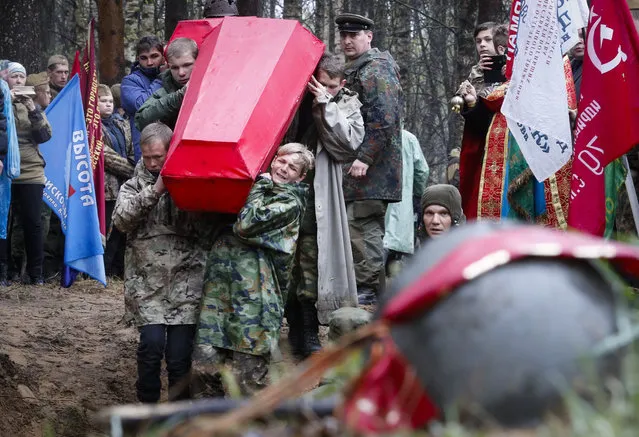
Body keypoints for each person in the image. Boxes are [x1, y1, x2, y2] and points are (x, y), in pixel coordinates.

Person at [194, 143, 313, 396]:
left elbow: (246, 224)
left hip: (256, 304)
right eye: (282, 161)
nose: (284, 169)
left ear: (300, 177)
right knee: (205, 373)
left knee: (247, 383)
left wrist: (259, 184)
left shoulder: (290, 203)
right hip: (218, 298)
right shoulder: (250, 185)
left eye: (293, 168)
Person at [112, 122, 212, 403]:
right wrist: (155, 190)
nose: (154, 163)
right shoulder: (132, 186)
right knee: (151, 348)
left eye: (159, 157)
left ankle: (178, 417)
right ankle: (148, 414)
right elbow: (121, 220)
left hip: (186, 284)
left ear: (172, 151)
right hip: (148, 286)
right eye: (147, 158)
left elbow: (209, 224)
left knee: (180, 357)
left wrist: (183, 187)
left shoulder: (192, 181)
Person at [286, 53, 364, 359]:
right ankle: (293, 328)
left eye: (332, 85)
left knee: (310, 265)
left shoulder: (346, 104)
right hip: (285, 189)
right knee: (285, 265)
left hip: (316, 196)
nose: (325, 88)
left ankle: (306, 332)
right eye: (321, 83)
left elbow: (346, 144)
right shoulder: (293, 96)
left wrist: (326, 105)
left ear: (341, 84)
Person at [456, 24, 572, 226]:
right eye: (478, 41)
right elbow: (483, 123)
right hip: (501, 162)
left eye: (487, 40)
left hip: (541, 157)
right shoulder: (479, 77)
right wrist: (474, 101)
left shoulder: (553, 69)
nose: (482, 45)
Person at [336, 13, 403, 305]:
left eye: (354, 35)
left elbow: (385, 118)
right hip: (361, 169)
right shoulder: (357, 68)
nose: (347, 41)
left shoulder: (375, 69)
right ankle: (366, 289)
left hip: (372, 170)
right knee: (357, 227)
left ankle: (368, 291)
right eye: (343, 36)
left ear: (369, 36)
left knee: (363, 226)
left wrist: (364, 157)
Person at [0, 62, 52, 285]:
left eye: (22, 77)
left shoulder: (32, 105)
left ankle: (35, 273)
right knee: (6, 223)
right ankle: (6, 271)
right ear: (6, 80)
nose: (19, 80)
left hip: (31, 171)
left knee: (33, 222)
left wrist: (32, 109)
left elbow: (45, 135)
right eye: (14, 77)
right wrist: (6, 99)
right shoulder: (2, 103)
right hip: (5, 170)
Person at [98, 84, 135, 278]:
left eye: (110, 101)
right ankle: (103, 269)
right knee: (108, 230)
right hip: (106, 186)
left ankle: (118, 269)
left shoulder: (122, 123)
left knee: (122, 230)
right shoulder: (93, 127)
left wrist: (131, 166)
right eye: (103, 101)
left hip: (124, 186)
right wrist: (131, 170)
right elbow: (105, 155)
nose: (108, 105)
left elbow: (130, 149)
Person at [383, 129, 429, 277]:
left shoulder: (369, 133)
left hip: (369, 205)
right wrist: (416, 195)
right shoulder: (408, 138)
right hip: (401, 206)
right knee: (396, 263)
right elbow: (422, 171)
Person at [135, 38, 197, 132]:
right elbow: (140, 120)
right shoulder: (165, 89)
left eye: (187, 65)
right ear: (168, 67)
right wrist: (178, 97)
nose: (181, 73)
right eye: (175, 68)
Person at [121, 36, 165, 162]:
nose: (150, 62)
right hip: (146, 153)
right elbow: (143, 105)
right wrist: (161, 78)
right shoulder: (129, 81)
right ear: (138, 59)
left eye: (154, 56)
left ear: (163, 56)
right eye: (144, 58)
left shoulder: (175, 75)